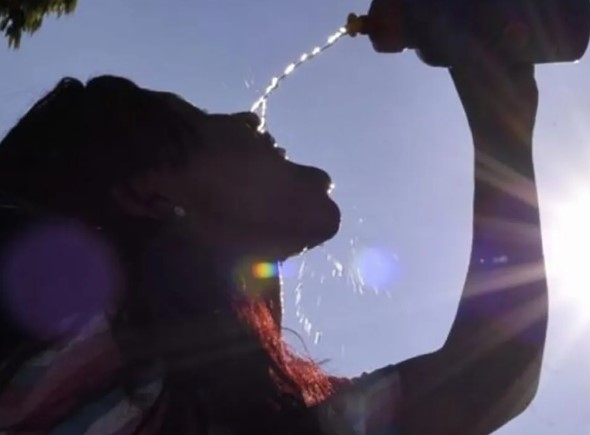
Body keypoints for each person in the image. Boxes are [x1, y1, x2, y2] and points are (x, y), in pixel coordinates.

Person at [0, 26, 547, 435]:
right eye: (195, 116)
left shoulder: (229, 409)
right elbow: (489, 377)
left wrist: (505, 127)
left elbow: (491, 377)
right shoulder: (54, 331)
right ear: (149, 196)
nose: (247, 119)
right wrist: (502, 129)